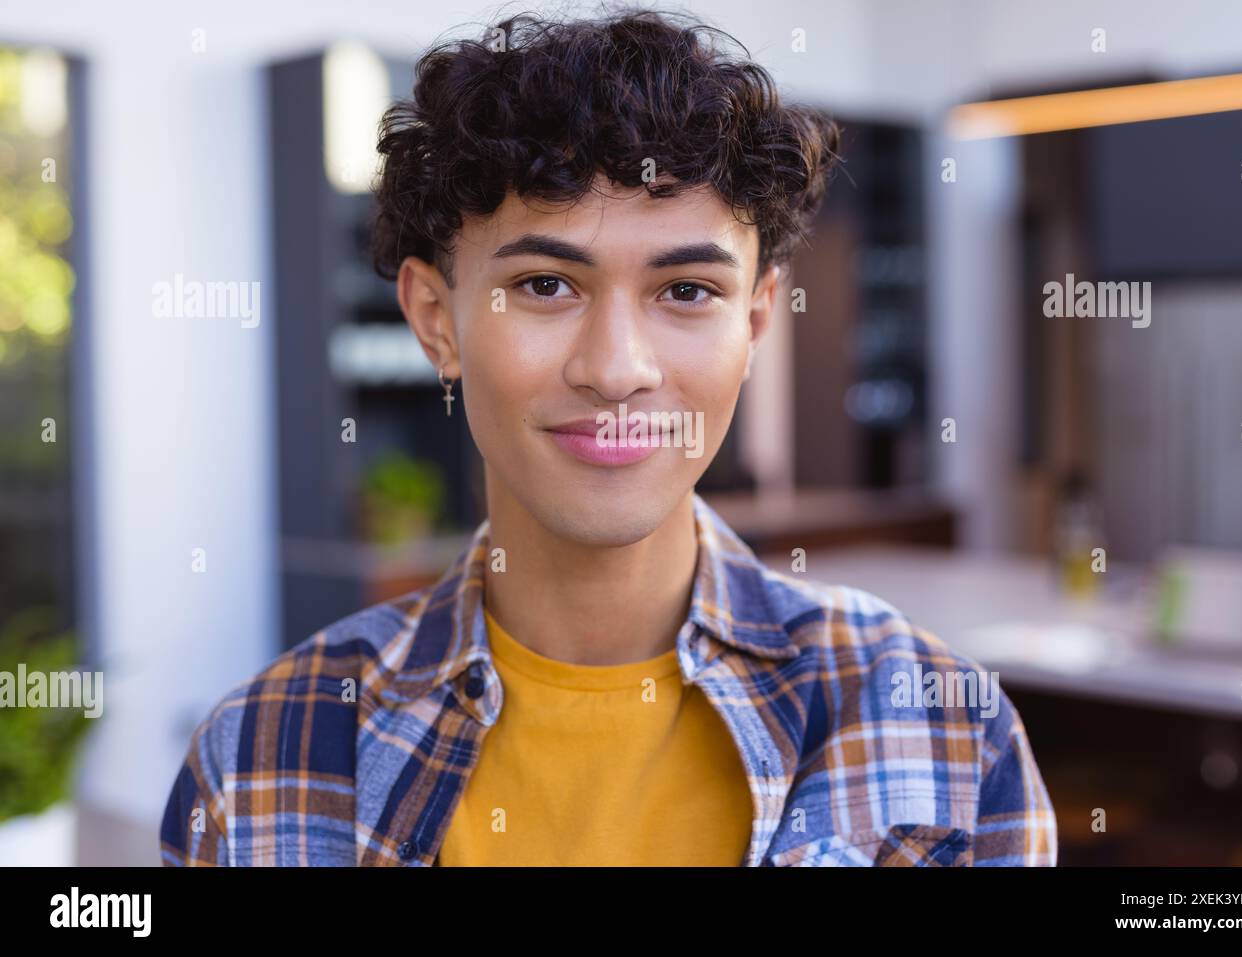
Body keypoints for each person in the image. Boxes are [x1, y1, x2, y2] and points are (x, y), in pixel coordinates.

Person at [160, 7, 1056, 867]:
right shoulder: (263, 763)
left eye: (687, 291)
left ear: (754, 321)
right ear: (436, 320)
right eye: (548, 285)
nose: (618, 367)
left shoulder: (938, 729)